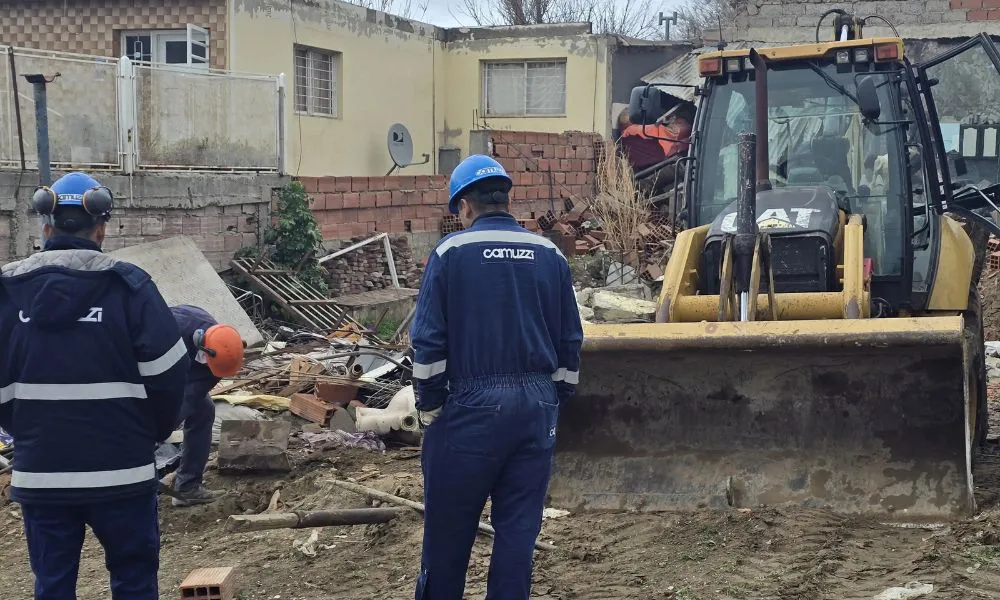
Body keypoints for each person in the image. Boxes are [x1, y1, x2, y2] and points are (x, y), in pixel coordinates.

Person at [0, 172, 190, 599]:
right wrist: (149, 433)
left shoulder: (8, 293)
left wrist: (27, 430)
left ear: (44, 227)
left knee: (52, 585)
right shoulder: (130, 287)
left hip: (42, 473)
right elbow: (171, 377)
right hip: (122, 472)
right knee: (134, 582)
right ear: (101, 229)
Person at [410, 155, 584, 600]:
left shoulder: (450, 253)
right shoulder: (550, 254)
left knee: (447, 537)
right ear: (506, 200)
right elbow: (570, 339)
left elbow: (428, 342)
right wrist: (554, 396)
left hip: (469, 408)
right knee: (517, 537)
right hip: (536, 408)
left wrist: (430, 405)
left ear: (464, 206)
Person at [167, 305, 246, 507]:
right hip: (146, 367)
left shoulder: (221, 354)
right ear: (202, 344)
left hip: (185, 367)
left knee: (203, 411)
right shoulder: (169, 326)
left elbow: (191, 396)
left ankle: (187, 487)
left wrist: (165, 425)